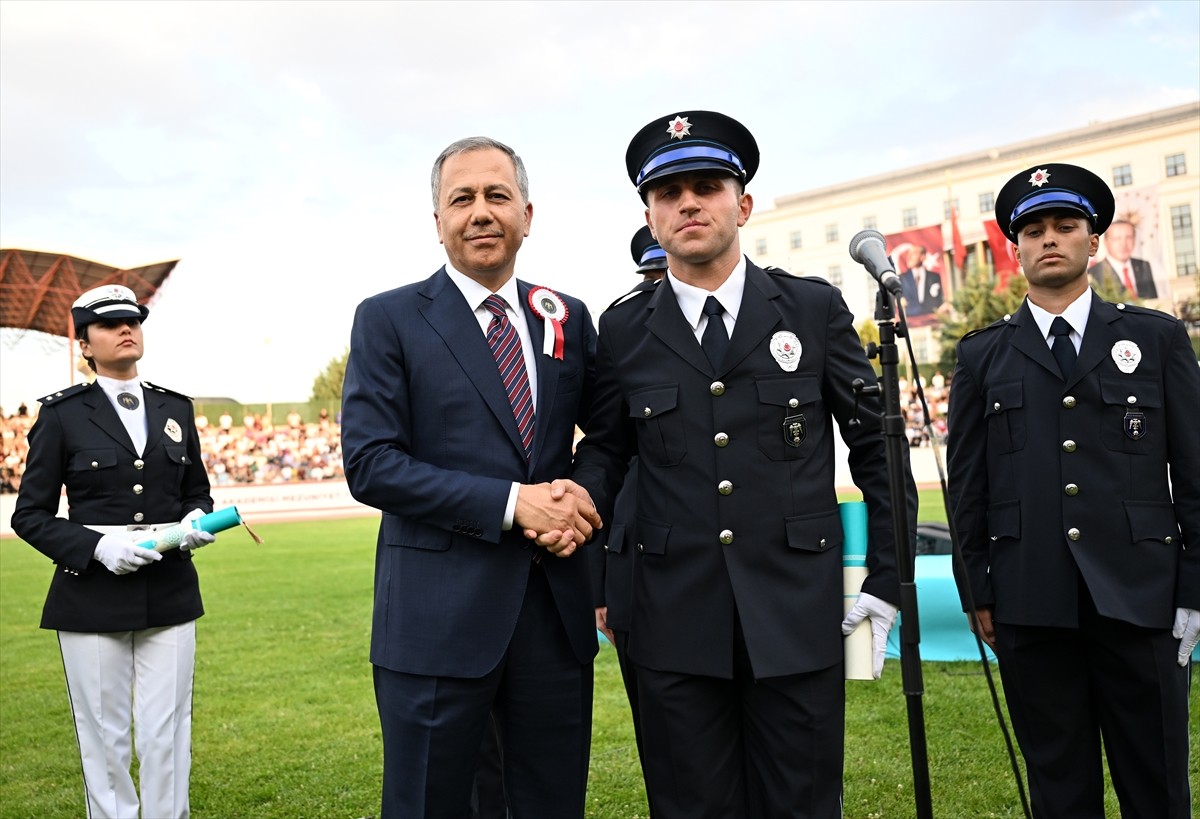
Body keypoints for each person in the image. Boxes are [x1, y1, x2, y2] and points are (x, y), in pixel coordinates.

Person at [569, 111, 916, 817]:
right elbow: (607, 450)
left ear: (744, 204)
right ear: (649, 216)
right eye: (668, 194)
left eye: (706, 187)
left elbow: (876, 446)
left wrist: (887, 578)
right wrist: (572, 503)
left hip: (795, 615)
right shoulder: (625, 327)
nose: (688, 204)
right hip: (671, 622)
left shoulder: (811, 308)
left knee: (802, 803)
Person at [341, 135, 601, 818]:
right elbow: (371, 464)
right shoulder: (388, 318)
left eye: (497, 195)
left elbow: (607, 438)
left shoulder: (568, 316)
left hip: (554, 619)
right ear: (438, 222)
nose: (481, 211)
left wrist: (579, 498)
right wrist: (515, 504)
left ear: (526, 214)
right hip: (435, 624)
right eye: (462, 199)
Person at [947, 163, 1198, 818]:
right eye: (1033, 231)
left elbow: (1195, 471)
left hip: (1142, 595)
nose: (1049, 238)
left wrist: (1194, 587)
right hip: (1030, 598)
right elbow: (968, 486)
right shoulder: (981, 356)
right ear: (1016, 249)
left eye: (1065, 225)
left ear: (1094, 240)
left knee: (1158, 785)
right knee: (1059, 790)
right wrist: (979, 590)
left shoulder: (1156, 338)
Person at [11, 284, 215, 819]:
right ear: (84, 345)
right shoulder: (62, 415)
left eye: (134, 321)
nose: (126, 329)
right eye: (109, 324)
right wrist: (98, 547)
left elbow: (196, 491)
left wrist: (194, 520)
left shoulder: (176, 408)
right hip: (92, 594)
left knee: (167, 731)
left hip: (169, 587)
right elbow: (29, 515)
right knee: (104, 737)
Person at [588, 224, 668, 810]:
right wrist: (600, 590)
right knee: (665, 748)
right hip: (636, 569)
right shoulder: (621, 330)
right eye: (653, 277)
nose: (661, 285)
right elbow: (603, 461)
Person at [1088, 218, 1158, 299]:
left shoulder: (1143, 266)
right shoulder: (1093, 273)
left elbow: (1153, 300)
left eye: (1129, 237)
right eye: (1117, 238)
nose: (1123, 244)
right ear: (1105, 242)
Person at [898, 244, 944, 316]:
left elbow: (939, 299)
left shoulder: (934, 277)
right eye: (909, 254)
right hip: (911, 319)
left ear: (923, 257)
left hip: (931, 317)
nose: (909, 257)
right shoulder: (902, 278)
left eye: (913, 254)